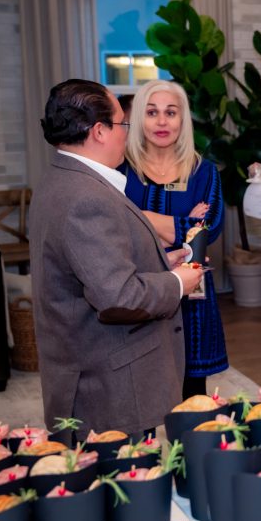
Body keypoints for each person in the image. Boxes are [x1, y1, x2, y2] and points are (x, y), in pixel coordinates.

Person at [29, 79, 204, 439]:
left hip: (93, 371)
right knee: (127, 485)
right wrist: (176, 282)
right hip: (108, 391)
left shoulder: (60, 177)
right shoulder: (87, 198)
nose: (129, 132)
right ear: (99, 131)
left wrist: (157, 264)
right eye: (123, 123)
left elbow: (94, 268)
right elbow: (118, 297)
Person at [122, 80, 228, 399]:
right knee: (140, 390)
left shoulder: (203, 172)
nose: (162, 121)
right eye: (152, 112)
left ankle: (190, 448)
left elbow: (206, 230)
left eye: (171, 112)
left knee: (192, 394)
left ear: (183, 120)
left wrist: (137, 215)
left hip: (190, 292)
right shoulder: (121, 170)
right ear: (140, 117)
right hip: (137, 288)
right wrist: (184, 223)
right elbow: (113, 226)